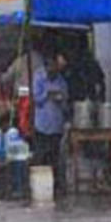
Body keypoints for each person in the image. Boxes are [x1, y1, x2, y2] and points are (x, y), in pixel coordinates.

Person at [31, 53, 69, 193]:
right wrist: (48, 94)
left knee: (55, 156)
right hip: (42, 123)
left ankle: (55, 186)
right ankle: (39, 186)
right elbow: (36, 98)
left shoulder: (61, 81)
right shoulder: (39, 77)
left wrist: (61, 99)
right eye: (52, 69)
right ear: (47, 66)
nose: (54, 72)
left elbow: (65, 102)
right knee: (41, 156)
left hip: (56, 124)